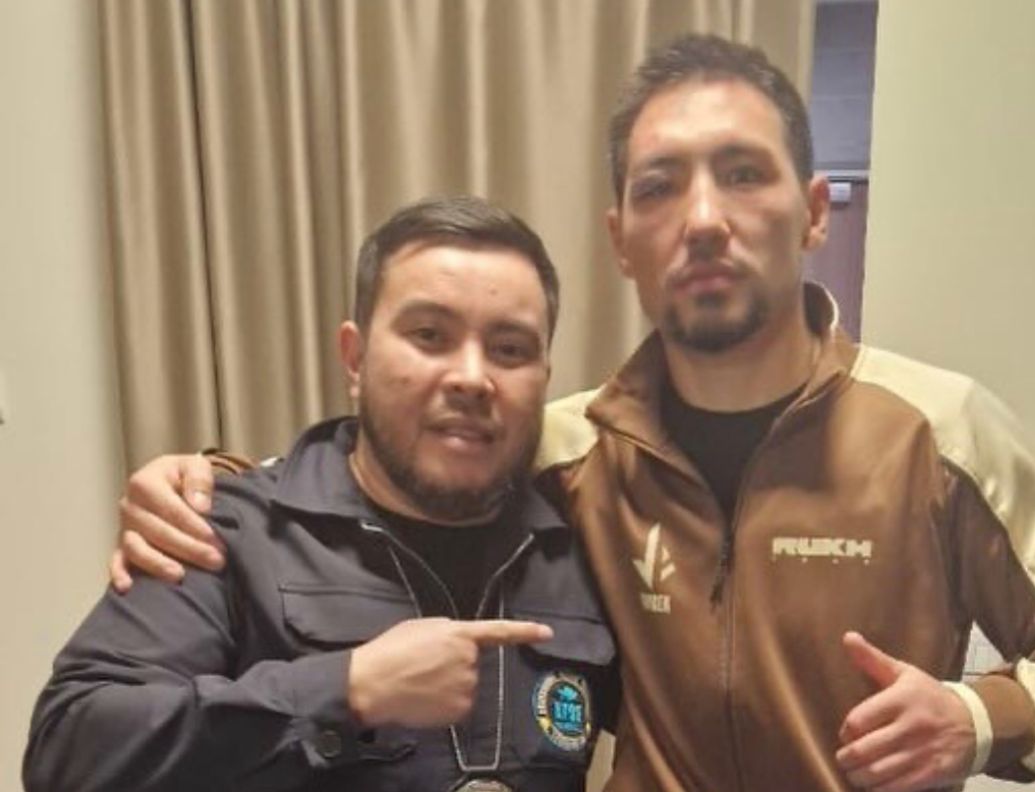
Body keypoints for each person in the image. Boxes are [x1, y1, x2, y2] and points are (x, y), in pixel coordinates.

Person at [104, 35, 1035, 792]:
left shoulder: (941, 429)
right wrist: (209, 482)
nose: (703, 218)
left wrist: (978, 717)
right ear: (621, 238)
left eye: (742, 175)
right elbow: (382, 470)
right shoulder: (568, 445)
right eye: (661, 187)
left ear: (811, 212)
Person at [25, 196, 618, 792]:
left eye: (510, 349)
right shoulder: (224, 531)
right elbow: (69, 752)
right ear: (355, 359)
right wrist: (343, 690)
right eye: (429, 335)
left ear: (543, 375)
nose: (471, 377)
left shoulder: (586, 540)